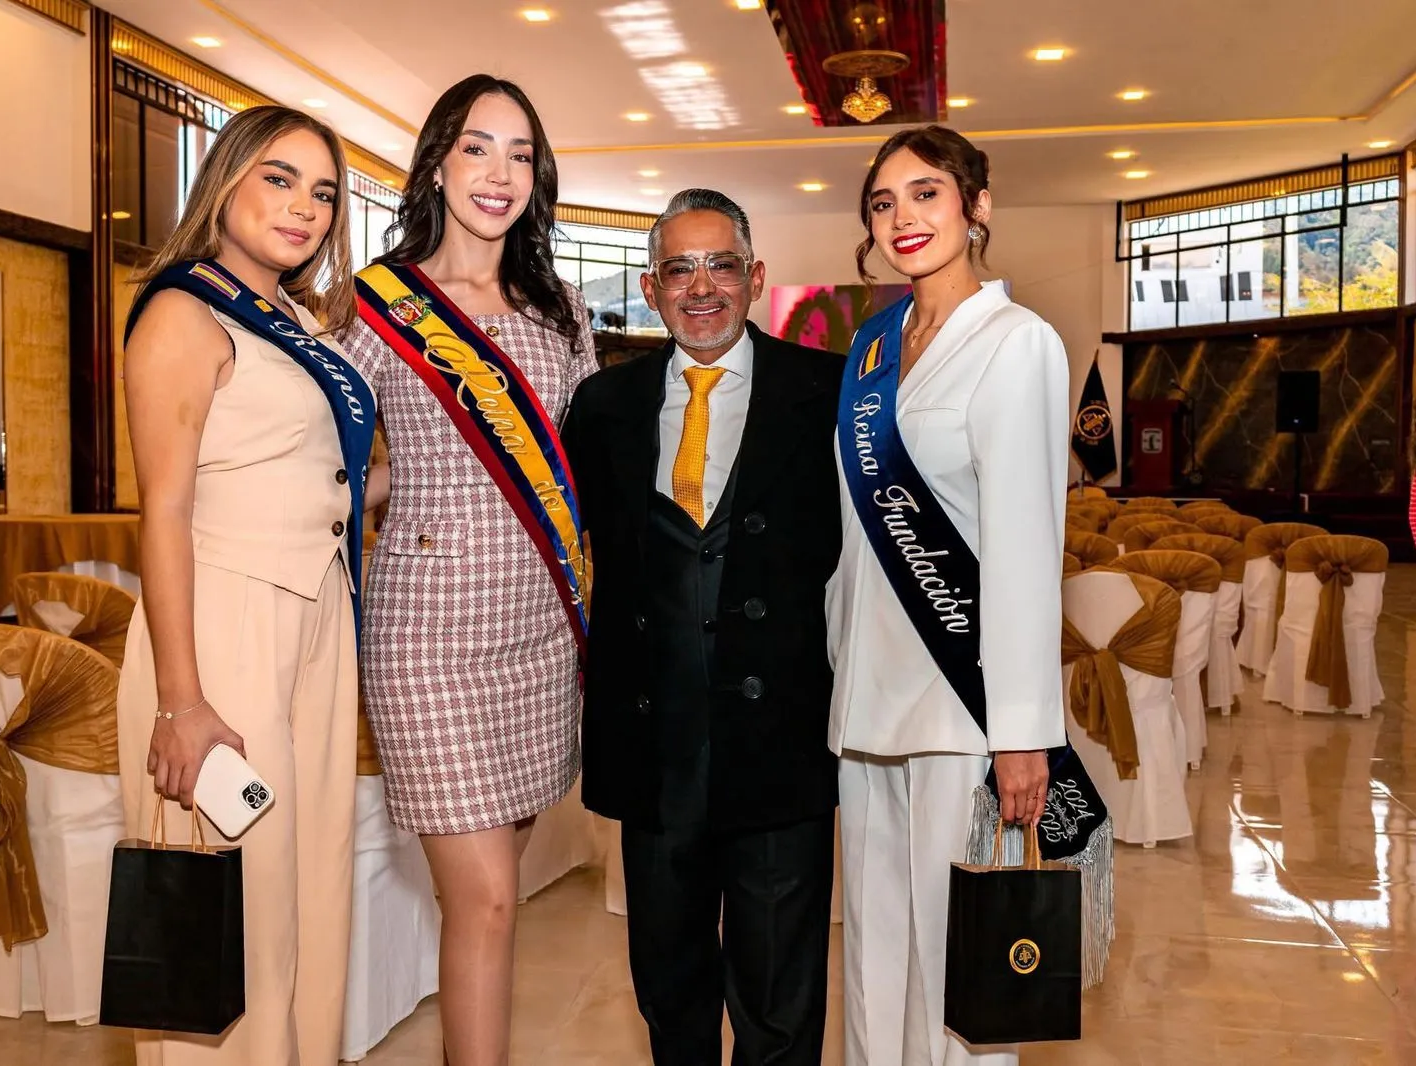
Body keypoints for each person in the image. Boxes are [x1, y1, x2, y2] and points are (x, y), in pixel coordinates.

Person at [339, 74, 594, 1066]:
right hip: (429, 640)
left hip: (540, 638)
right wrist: (378, 488)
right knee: (484, 897)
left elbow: (576, 466)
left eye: (520, 152)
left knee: (494, 898)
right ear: (438, 162)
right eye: (478, 147)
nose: (500, 172)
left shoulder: (559, 310)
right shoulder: (377, 304)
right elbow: (328, 450)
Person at [117, 104, 376, 1066]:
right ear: (224, 179)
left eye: (323, 192)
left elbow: (321, 473)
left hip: (316, 618)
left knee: (308, 886)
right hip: (224, 622)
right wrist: (181, 700)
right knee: (234, 896)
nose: (304, 207)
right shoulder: (183, 310)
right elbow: (166, 511)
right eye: (279, 177)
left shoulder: (294, 318)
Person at [564, 189, 843, 1065]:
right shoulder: (602, 406)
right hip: (655, 746)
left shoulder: (829, 395)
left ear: (755, 278)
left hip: (781, 744)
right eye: (678, 268)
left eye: (721, 264)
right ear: (650, 288)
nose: (701, 287)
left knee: (780, 1001)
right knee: (669, 990)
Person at [826, 126, 1069, 1066]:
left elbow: (1022, 544)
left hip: (962, 702)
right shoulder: (876, 347)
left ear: (977, 208)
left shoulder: (1018, 344)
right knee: (874, 946)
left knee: (956, 961)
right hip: (866, 697)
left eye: (925, 194)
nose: (903, 219)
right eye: (883, 203)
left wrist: (1021, 729)